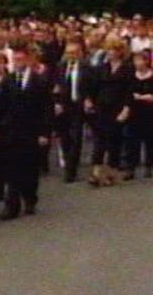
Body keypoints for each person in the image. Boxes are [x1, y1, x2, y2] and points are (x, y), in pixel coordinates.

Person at [0, 45, 52, 220]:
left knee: (29, 168)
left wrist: (44, 133)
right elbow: (1, 107)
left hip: (31, 131)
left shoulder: (39, 81)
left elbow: (46, 108)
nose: (17, 63)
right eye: (15, 59)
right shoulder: (8, 80)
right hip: (12, 131)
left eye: (20, 59)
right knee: (11, 168)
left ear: (28, 60)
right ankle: (11, 205)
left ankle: (30, 198)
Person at [87, 38, 133, 187]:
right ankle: (96, 172)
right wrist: (88, 99)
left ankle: (111, 172)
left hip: (118, 107)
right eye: (108, 49)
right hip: (102, 106)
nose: (110, 52)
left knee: (114, 140)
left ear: (120, 52)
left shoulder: (127, 68)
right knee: (99, 139)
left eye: (113, 50)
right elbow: (94, 86)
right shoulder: (102, 67)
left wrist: (126, 109)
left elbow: (129, 91)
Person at [52, 40, 91, 183]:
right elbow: (55, 87)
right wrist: (56, 102)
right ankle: (68, 160)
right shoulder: (60, 67)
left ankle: (71, 170)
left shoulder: (87, 68)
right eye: (69, 53)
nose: (71, 56)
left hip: (78, 106)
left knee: (76, 137)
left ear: (80, 53)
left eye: (74, 53)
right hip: (63, 106)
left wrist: (88, 99)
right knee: (64, 137)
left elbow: (92, 86)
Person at [124, 49, 153, 179]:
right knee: (132, 139)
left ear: (147, 61)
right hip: (134, 111)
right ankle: (131, 167)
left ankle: (149, 166)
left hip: (149, 111)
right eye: (135, 60)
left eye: (139, 60)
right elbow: (126, 93)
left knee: (150, 139)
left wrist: (148, 97)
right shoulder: (131, 76)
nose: (137, 63)